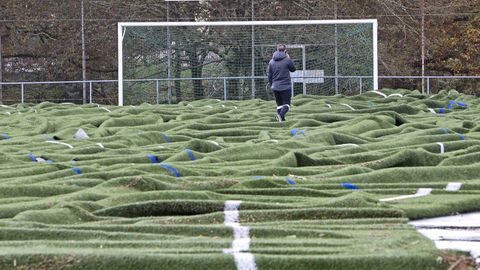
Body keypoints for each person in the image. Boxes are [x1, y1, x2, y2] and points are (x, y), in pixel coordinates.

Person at [267, 44, 296, 122]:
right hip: (285, 86)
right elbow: (293, 69)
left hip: (275, 86)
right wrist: (289, 58)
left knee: (279, 105)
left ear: (277, 50)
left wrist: (271, 84)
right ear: (285, 50)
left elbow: (269, 75)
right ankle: (280, 115)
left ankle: (281, 120)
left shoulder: (271, 61)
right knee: (287, 105)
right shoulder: (287, 60)